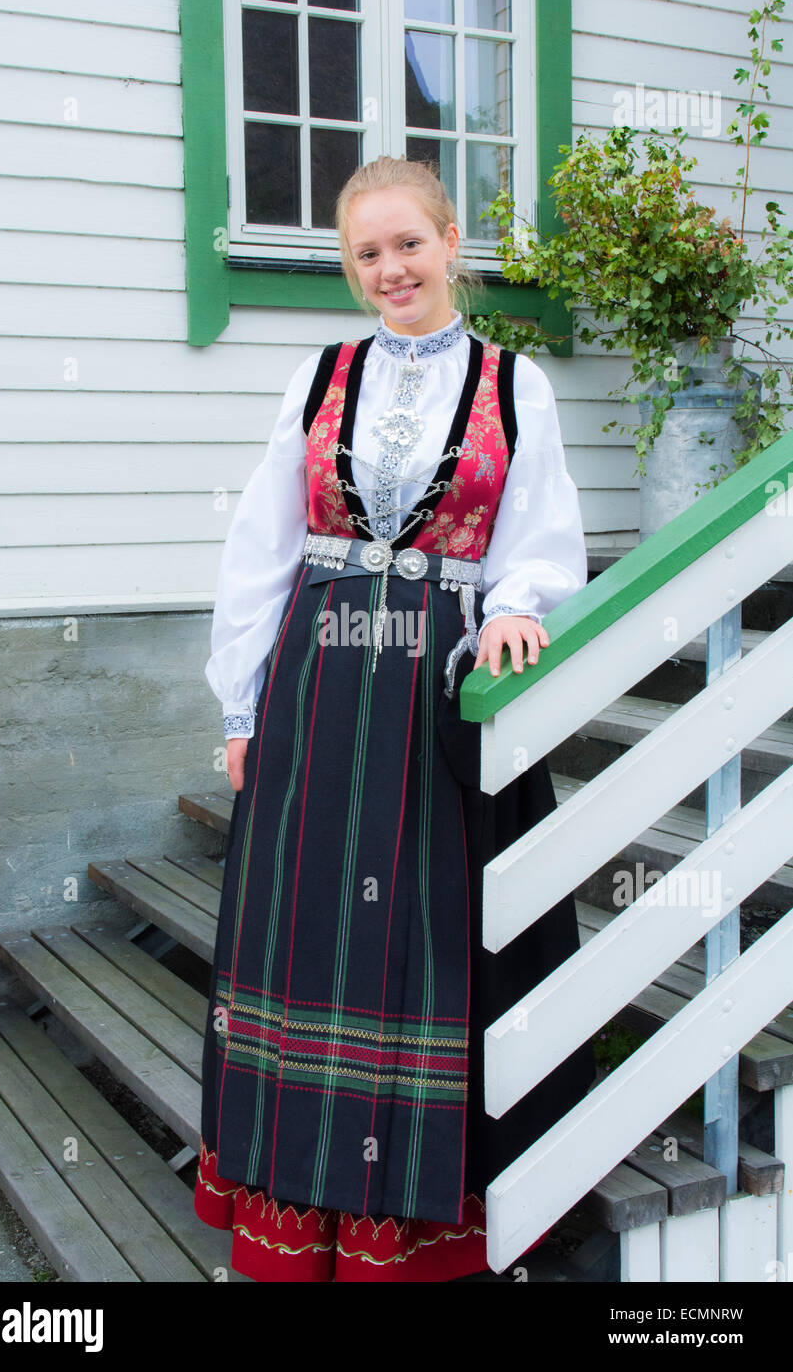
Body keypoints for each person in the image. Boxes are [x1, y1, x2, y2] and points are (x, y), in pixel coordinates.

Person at [193, 156, 596, 1282]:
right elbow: (263, 548)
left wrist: (514, 608)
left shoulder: (518, 386)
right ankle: (295, 1216)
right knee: (307, 946)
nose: (389, 269)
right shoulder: (318, 375)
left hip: (434, 701)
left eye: (406, 244)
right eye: (366, 253)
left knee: (423, 946)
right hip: (314, 695)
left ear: (450, 240)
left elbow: (535, 534)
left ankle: (417, 1226)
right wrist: (240, 704)